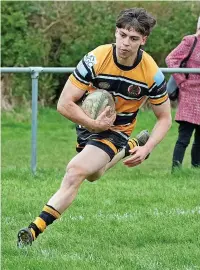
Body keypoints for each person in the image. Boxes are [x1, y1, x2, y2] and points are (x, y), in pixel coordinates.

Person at [17, 7, 171, 247]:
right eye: (122, 35)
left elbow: (165, 118)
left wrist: (148, 146)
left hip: (117, 131)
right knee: (94, 174)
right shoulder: (96, 58)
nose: (125, 43)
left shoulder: (151, 73)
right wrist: (93, 124)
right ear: (116, 32)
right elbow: (64, 103)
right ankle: (128, 148)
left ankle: (33, 231)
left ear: (143, 40)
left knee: (75, 171)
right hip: (88, 123)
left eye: (133, 39)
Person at [166, 17, 200, 171]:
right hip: (189, 93)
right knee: (184, 137)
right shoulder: (190, 41)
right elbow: (171, 59)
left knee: (199, 139)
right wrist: (181, 81)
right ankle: (176, 169)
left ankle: (196, 168)